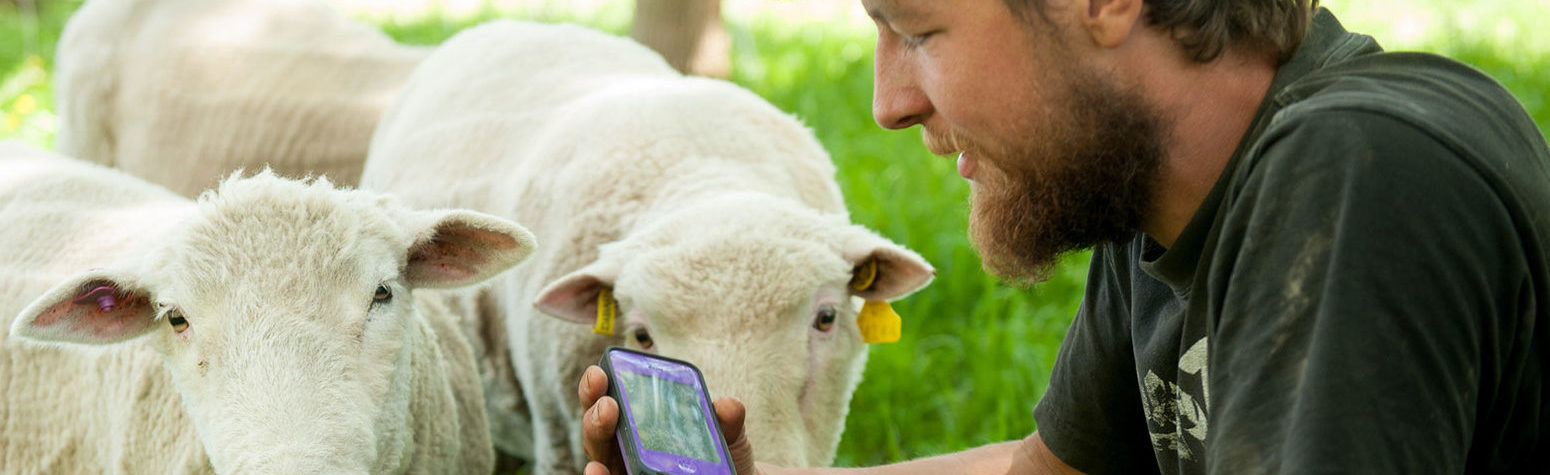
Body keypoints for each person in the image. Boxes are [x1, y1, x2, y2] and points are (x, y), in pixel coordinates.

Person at [578, 0, 1550, 472]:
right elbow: (1043, 472)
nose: (886, 102)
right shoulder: (1164, 199)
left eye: (918, 32)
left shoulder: (1359, 172)